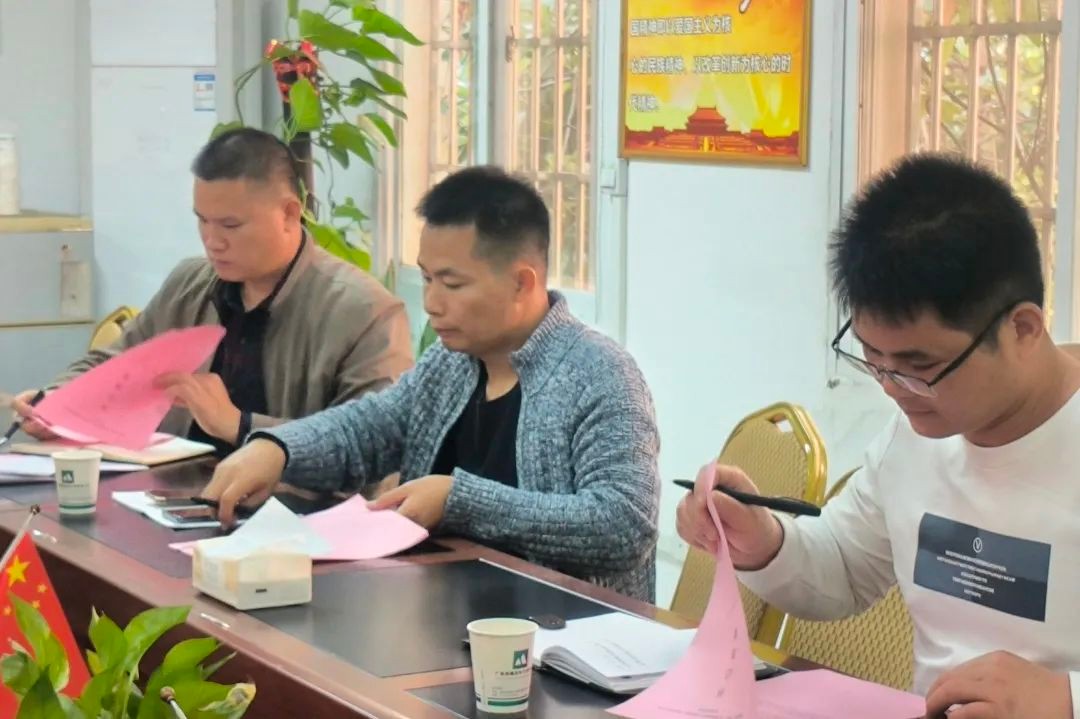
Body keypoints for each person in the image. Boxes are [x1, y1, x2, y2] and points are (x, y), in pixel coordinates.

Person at [677, 155, 1080, 718]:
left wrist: (1069, 699)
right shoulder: (916, 434)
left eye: (920, 366)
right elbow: (843, 569)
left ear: (1023, 329)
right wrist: (763, 540)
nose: (893, 389)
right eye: (873, 359)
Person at [202, 165, 661, 601]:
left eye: (452, 284)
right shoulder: (450, 362)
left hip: (562, 635)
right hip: (437, 613)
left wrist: (459, 500)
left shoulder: (599, 374)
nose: (431, 302)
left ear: (522, 283)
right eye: (425, 278)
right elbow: (369, 429)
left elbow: (624, 525)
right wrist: (278, 449)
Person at [12, 128, 412, 454]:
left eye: (230, 226)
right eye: (202, 221)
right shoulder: (189, 284)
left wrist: (241, 426)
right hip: (171, 496)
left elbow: (372, 446)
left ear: (289, 213)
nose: (212, 241)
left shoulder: (363, 311)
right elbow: (114, 363)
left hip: (295, 516)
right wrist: (54, 403)